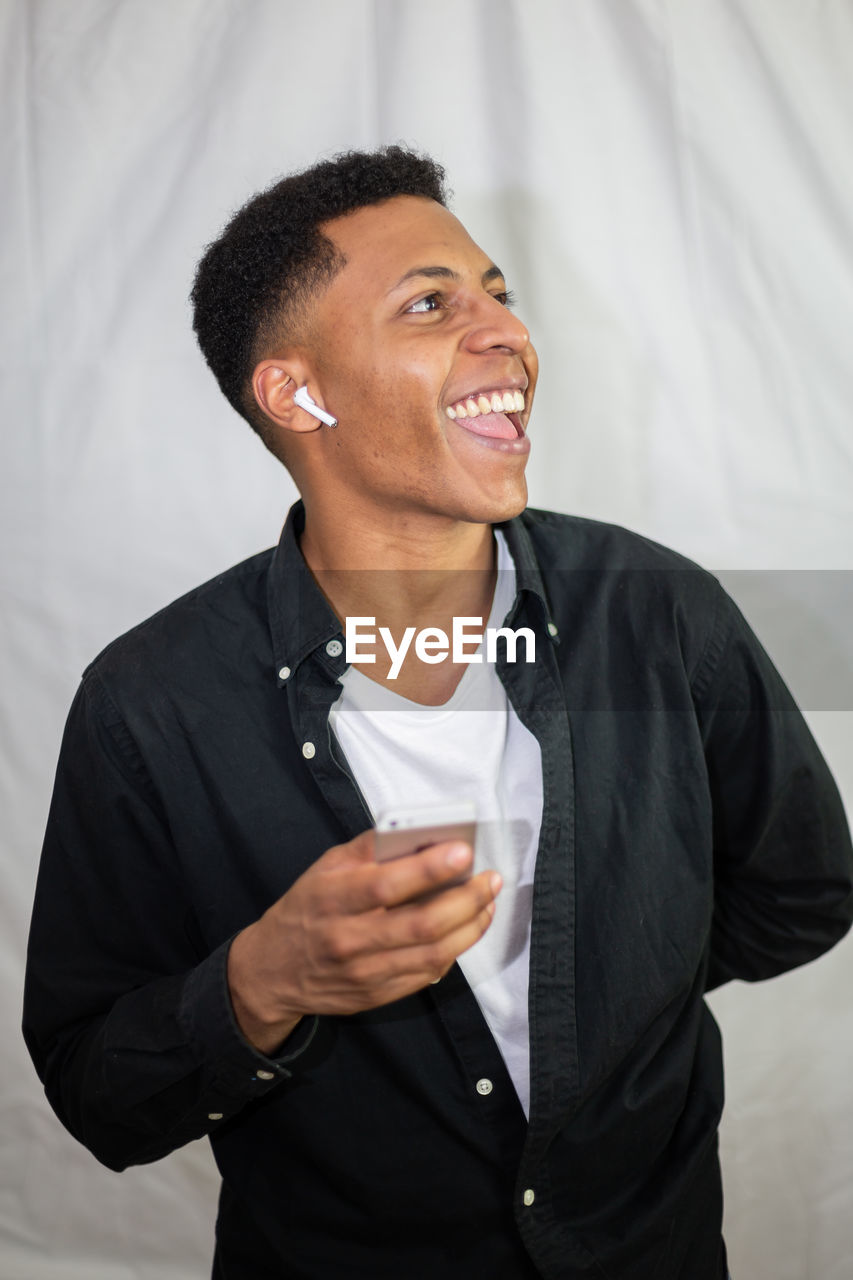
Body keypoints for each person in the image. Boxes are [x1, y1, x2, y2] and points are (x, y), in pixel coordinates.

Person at [23, 146, 853, 1280]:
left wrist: (604, 975)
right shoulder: (150, 703)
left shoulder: (658, 612)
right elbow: (96, 1091)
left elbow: (803, 890)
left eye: (497, 292)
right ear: (296, 390)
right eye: (431, 302)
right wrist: (269, 978)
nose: (504, 329)